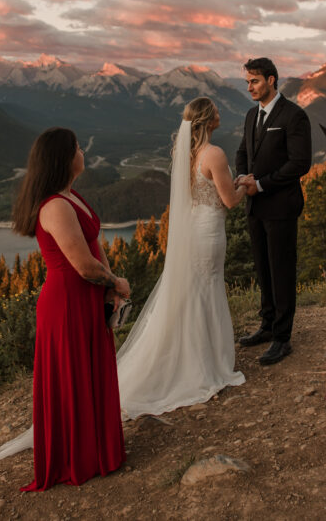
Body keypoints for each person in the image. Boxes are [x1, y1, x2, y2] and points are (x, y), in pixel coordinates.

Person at [0, 128, 129, 490]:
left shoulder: (72, 196)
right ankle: (79, 458)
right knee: (73, 377)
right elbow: (82, 265)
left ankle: (97, 450)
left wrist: (111, 286)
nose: (83, 151)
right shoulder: (55, 206)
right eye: (78, 147)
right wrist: (117, 284)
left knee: (89, 372)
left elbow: (93, 248)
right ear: (64, 158)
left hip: (85, 298)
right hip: (66, 303)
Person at [116, 97, 247, 418]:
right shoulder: (213, 154)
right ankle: (205, 365)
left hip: (194, 231)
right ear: (207, 120)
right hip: (209, 232)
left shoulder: (184, 153)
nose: (220, 112)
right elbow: (229, 200)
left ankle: (192, 358)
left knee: (194, 294)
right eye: (216, 110)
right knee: (207, 291)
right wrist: (248, 186)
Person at [234, 57, 312, 365]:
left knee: (281, 270)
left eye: (254, 81)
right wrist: (242, 177)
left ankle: (282, 338)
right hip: (255, 206)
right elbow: (243, 152)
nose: (250, 87)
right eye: (247, 82)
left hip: (280, 206)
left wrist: (262, 184)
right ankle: (266, 325)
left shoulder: (294, 116)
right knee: (263, 269)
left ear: (271, 80)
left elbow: (300, 163)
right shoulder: (251, 114)